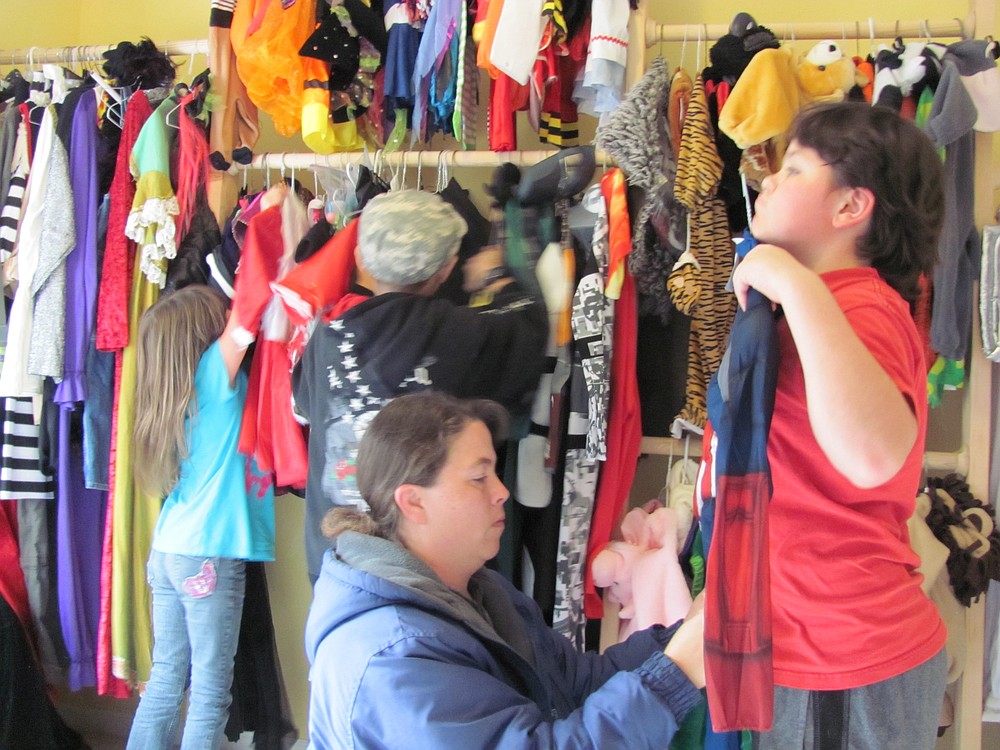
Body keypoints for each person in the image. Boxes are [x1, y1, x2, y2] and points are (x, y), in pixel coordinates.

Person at [304, 391, 706, 748]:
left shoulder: (480, 591)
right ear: (413, 503)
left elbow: (576, 682)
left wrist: (687, 633)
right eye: (479, 478)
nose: (502, 492)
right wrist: (676, 674)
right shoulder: (392, 660)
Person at [730, 102, 947, 748]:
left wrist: (796, 286)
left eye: (793, 168)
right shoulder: (813, 309)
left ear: (852, 207)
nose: (767, 179)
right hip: (812, 655)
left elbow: (873, 454)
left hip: (843, 657)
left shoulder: (860, 309)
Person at [292, 189, 547, 583]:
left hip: (337, 560)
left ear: (360, 260)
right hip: (424, 570)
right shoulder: (464, 334)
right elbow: (528, 329)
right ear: (446, 270)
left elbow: (306, 405)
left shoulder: (328, 335)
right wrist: (496, 277)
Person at [126, 285, 275, 750]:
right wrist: (271, 217)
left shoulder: (170, 394)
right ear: (202, 336)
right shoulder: (213, 373)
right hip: (208, 553)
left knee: (168, 679)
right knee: (210, 693)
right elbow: (246, 313)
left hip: (170, 548)